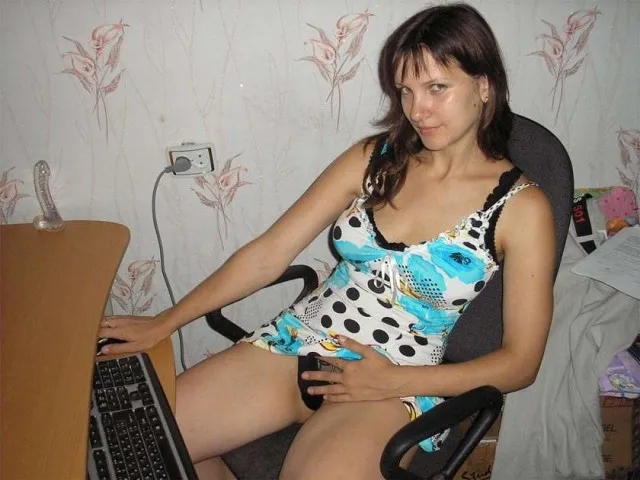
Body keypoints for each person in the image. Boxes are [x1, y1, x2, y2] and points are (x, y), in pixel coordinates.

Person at [99, 3, 556, 478]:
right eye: (406, 90)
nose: (417, 110)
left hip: (394, 380)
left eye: (437, 87)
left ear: (484, 86)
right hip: (298, 341)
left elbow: (521, 364)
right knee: (136, 446)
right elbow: (269, 253)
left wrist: (392, 381)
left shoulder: (522, 208)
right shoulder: (376, 158)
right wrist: (165, 322)